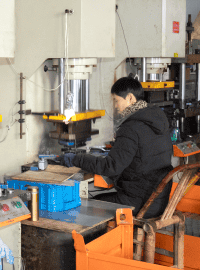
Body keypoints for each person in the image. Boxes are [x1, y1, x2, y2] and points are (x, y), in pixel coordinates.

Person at [61, 77, 173, 217]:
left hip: (140, 204)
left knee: (89, 205)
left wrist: (76, 159)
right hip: (159, 201)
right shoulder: (157, 120)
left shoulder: (131, 128)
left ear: (130, 98)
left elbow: (111, 167)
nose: (115, 106)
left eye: (116, 100)